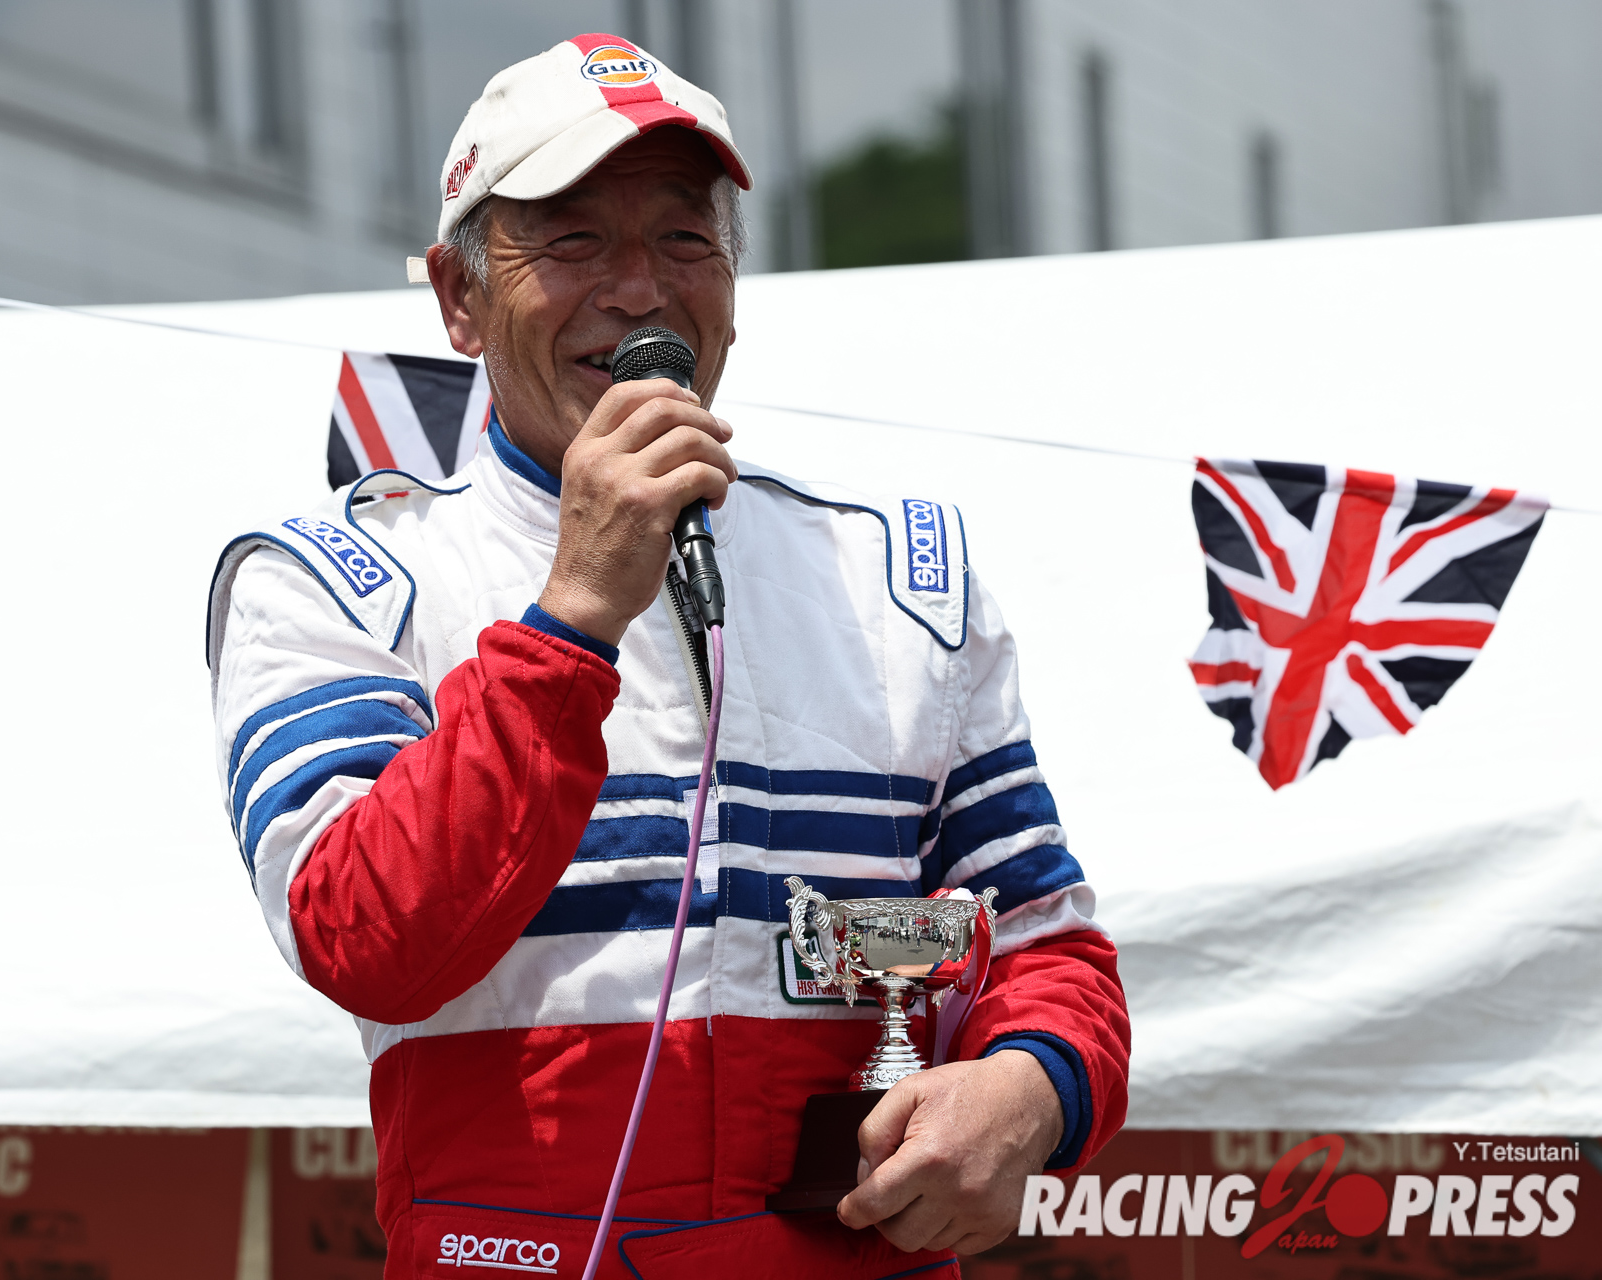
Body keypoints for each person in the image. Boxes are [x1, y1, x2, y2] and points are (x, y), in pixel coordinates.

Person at [206, 33, 1128, 1278]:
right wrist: (572, 617)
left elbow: (1046, 944)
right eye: (573, 240)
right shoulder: (339, 579)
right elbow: (369, 941)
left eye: (684, 238)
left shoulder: (900, 575)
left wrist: (1031, 1087)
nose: (639, 289)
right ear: (459, 298)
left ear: (733, 283)